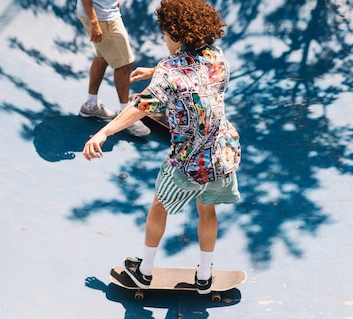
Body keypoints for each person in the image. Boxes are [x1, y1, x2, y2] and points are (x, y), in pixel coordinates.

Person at [82, 0, 241, 294]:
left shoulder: (169, 71)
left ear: (179, 35)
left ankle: (144, 272)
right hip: (221, 154)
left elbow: (141, 106)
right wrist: (154, 71)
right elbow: (193, 70)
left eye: (166, 34)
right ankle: (204, 277)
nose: (163, 39)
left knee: (159, 205)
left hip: (188, 160)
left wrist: (104, 132)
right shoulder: (218, 58)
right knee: (207, 210)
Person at [76, 0, 150, 137]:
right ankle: (126, 115)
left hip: (102, 13)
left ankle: (90, 105)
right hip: (102, 18)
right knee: (124, 63)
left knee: (103, 56)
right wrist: (94, 22)